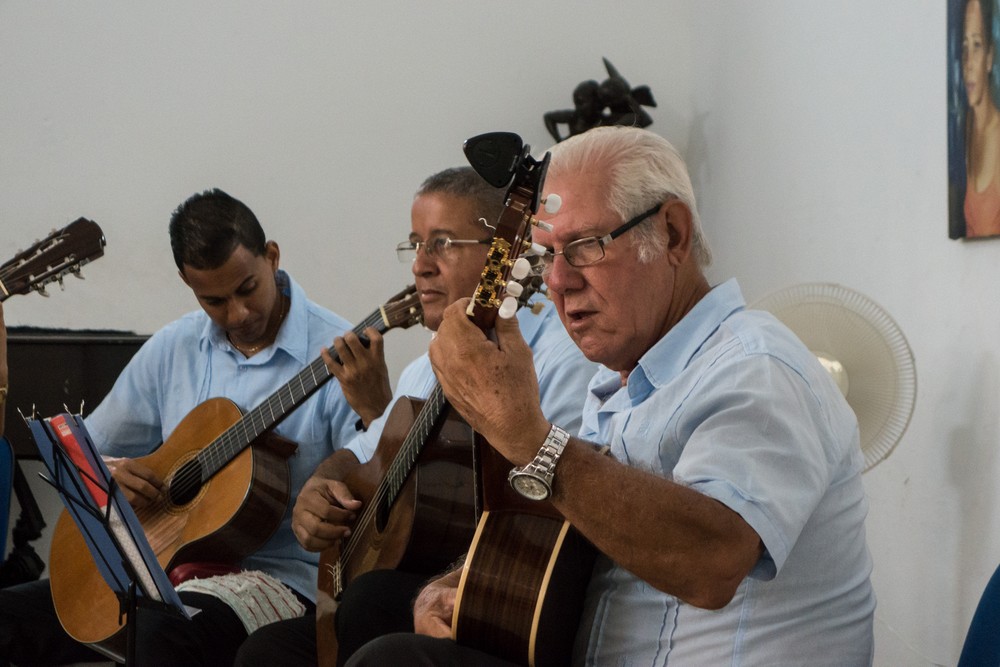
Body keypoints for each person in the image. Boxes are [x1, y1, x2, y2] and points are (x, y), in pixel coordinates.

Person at [347, 126, 876, 666]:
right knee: (374, 609)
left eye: (584, 246)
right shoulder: (618, 385)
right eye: (548, 252)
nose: (556, 280)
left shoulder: (757, 367)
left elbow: (712, 561)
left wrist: (529, 438)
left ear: (672, 234)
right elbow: (573, 543)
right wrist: (464, 582)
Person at [234, 166, 598, 666]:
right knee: (266, 652)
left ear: (505, 255)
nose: (420, 266)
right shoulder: (428, 363)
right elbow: (361, 454)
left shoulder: (561, 361)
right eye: (415, 245)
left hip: (493, 605)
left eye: (442, 244)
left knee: (372, 600)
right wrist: (320, 490)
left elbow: (546, 519)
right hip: (398, 587)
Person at [0, 189, 371, 666]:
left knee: (159, 632)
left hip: (277, 581)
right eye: (214, 300)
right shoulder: (175, 346)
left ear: (272, 256)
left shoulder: (336, 354)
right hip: (157, 572)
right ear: (186, 282)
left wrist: (373, 410)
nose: (237, 314)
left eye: (247, 289)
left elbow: (370, 477)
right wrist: (108, 474)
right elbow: (79, 456)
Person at [963, 0, 1000, 237]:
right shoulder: (967, 128)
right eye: (964, 46)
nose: (968, 63)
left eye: (976, 45)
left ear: (989, 57)